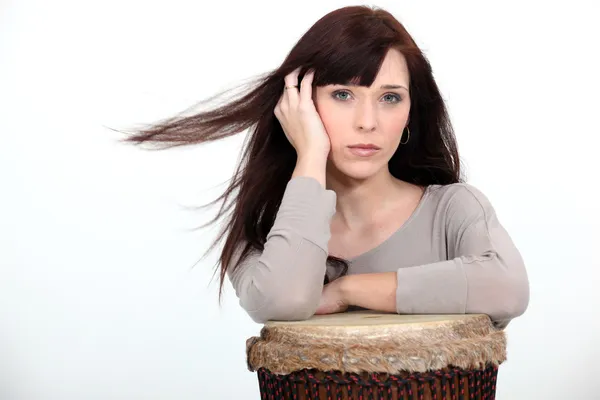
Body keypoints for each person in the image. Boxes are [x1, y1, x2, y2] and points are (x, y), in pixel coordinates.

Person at [121, 5, 529, 329]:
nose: (367, 121)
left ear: (411, 112)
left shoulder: (453, 210)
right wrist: (311, 154)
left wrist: (348, 289)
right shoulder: (264, 229)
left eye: (389, 98)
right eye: (342, 95)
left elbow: (507, 288)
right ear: (298, 103)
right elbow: (283, 300)